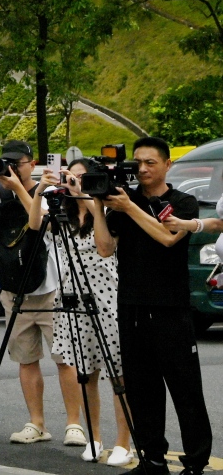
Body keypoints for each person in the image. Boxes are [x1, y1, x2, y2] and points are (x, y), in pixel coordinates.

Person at [93, 137, 212, 475]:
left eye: (151, 163)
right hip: (130, 306)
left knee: (185, 389)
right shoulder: (124, 200)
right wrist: (98, 209)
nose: (143, 169)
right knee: (142, 390)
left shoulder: (183, 202)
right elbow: (104, 248)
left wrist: (129, 208)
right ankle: (153, 459)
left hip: (170, 309)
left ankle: (196, 463)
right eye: (138, 163)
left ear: (167, 165)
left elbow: (167, 237)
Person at [0, 140, 83, 446]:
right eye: (7, 162)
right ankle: (37, 423)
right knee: (26, 359)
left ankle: (74, 424)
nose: (12, 168)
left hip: (49, 286)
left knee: (64, 358)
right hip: (13, 286)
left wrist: (18, 187)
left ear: (33, 163)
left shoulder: (48, 188)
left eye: (17, 162)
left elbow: (38, 222)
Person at [28, 159, 133, 466]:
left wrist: (91, 202)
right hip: (73, 301)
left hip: (108, 300)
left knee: (119, 375)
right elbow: (35, 225)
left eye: (83, 177)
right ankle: (94, 437)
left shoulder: (110, 210)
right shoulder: (63, 214)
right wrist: (40, 191)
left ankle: (123, 443)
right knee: (86, 375)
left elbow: (104, 248)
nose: (76, 181)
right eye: (71, 176)